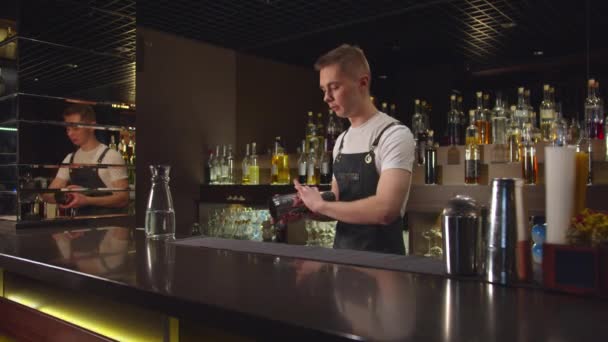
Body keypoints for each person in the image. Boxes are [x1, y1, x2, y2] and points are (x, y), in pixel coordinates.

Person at [294, 44, 415, 255]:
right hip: (343, 260)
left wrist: (322, 206)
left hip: (384, 266)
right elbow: (337, 200)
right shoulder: (342, 140)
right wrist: (306, 206)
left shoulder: (394, 134)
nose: (326, 98)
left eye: (334, 87)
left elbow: (386, 210)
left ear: (363, 83)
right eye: (324, 90)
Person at [43, 104, 129, 216]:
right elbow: (47, 195)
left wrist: (87, 199)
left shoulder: (111, 156)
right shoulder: (70, 159)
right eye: (68, 129)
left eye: (75, 128)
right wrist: (66, 194)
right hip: (80, 228)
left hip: (110, 227)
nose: (70, 133)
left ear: (92, 126)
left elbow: (123, 199)